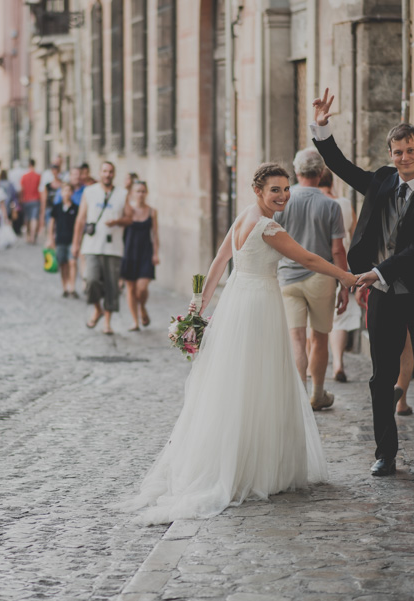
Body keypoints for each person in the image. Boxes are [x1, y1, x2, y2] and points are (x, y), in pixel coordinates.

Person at [122, 163, 357, 525]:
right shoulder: (267, 226)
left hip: (238, 302)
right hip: (259, 306)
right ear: (258, 192)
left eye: (285, 189)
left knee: (237, 380)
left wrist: (199, 303)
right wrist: (346, 276)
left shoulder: (244, 217)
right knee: (258, 380)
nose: (282, 195)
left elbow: (219, 261)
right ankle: (252, 467)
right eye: (274, 190)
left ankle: (241, 457)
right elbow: (308, 258)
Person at [312, 88, 414, 480]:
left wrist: (377, 272)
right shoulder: (379, 182)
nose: (404, 158)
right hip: (384, 299)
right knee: (381, 377)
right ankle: (385, 454)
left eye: (410, 150)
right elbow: (342, 167)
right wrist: (322, 128)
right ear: (390, 155)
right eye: (397, 152)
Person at [275, 148, 348, 411]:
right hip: (321, 277)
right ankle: (317, 394)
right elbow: (338, 250)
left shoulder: (283, 200)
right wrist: (344, 285)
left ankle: (298, 396)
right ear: (321, 173)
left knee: (296, 339)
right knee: (319, 338)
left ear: (296, 172)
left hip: (288, 277)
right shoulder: (331, 205)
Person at [71, 162, 132, 335]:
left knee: (112, 286)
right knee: (90, 280)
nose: (107, 174)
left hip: (113, 247)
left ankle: (107, 322)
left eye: (111, 171)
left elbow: (129, 218)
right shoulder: (89, 192)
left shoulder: (122, 194)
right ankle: (97, 308)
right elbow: (81, 219)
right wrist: (76, 243)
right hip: (91, 246)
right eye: (104, 171)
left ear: (114, 174)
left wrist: (117, 222)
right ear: (100, 173)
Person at [319, 168, 363, 383]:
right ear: (332, 182)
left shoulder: (310, 202)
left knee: (315, 320)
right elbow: (355, 237)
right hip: (342, 266)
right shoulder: (344, 204)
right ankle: (338, 363)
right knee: (340, 318)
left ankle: (312, 367)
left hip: (316, 268)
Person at [120, 181, 159, 331]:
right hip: (129, 252)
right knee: (130, 288)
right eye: (137, 191)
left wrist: (155, 253)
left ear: (146, 193)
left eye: (143, 191)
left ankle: (142, 306)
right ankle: (135, 321)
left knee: (141, 288)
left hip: (145, 253)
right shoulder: (128, 211)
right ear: (132, 193)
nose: (140, 194)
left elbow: (155, 235)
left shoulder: (152, 212)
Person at [46, 182, 80, 298]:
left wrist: (78, 240)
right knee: (63, 263)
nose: (67, 193)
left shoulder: (76, 208)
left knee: (72, 262)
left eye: (69, 190)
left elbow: (79, 225)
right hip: (60, 239)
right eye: (65, 190)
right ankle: (64, 286)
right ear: (61, 193)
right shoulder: (57, 207)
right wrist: (50, 238)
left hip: (72, 239)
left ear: (72, 193)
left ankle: (72, 286)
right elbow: (51, 223)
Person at [19, 159, 43, 243]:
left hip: (26, 199)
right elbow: (40, 188)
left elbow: (21, 189)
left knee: (27, 218)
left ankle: (28, 236)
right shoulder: (38, 176)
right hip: (35, 199)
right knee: (34, 218)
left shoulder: (24, 176)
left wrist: (21, 199)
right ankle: (33, 236)